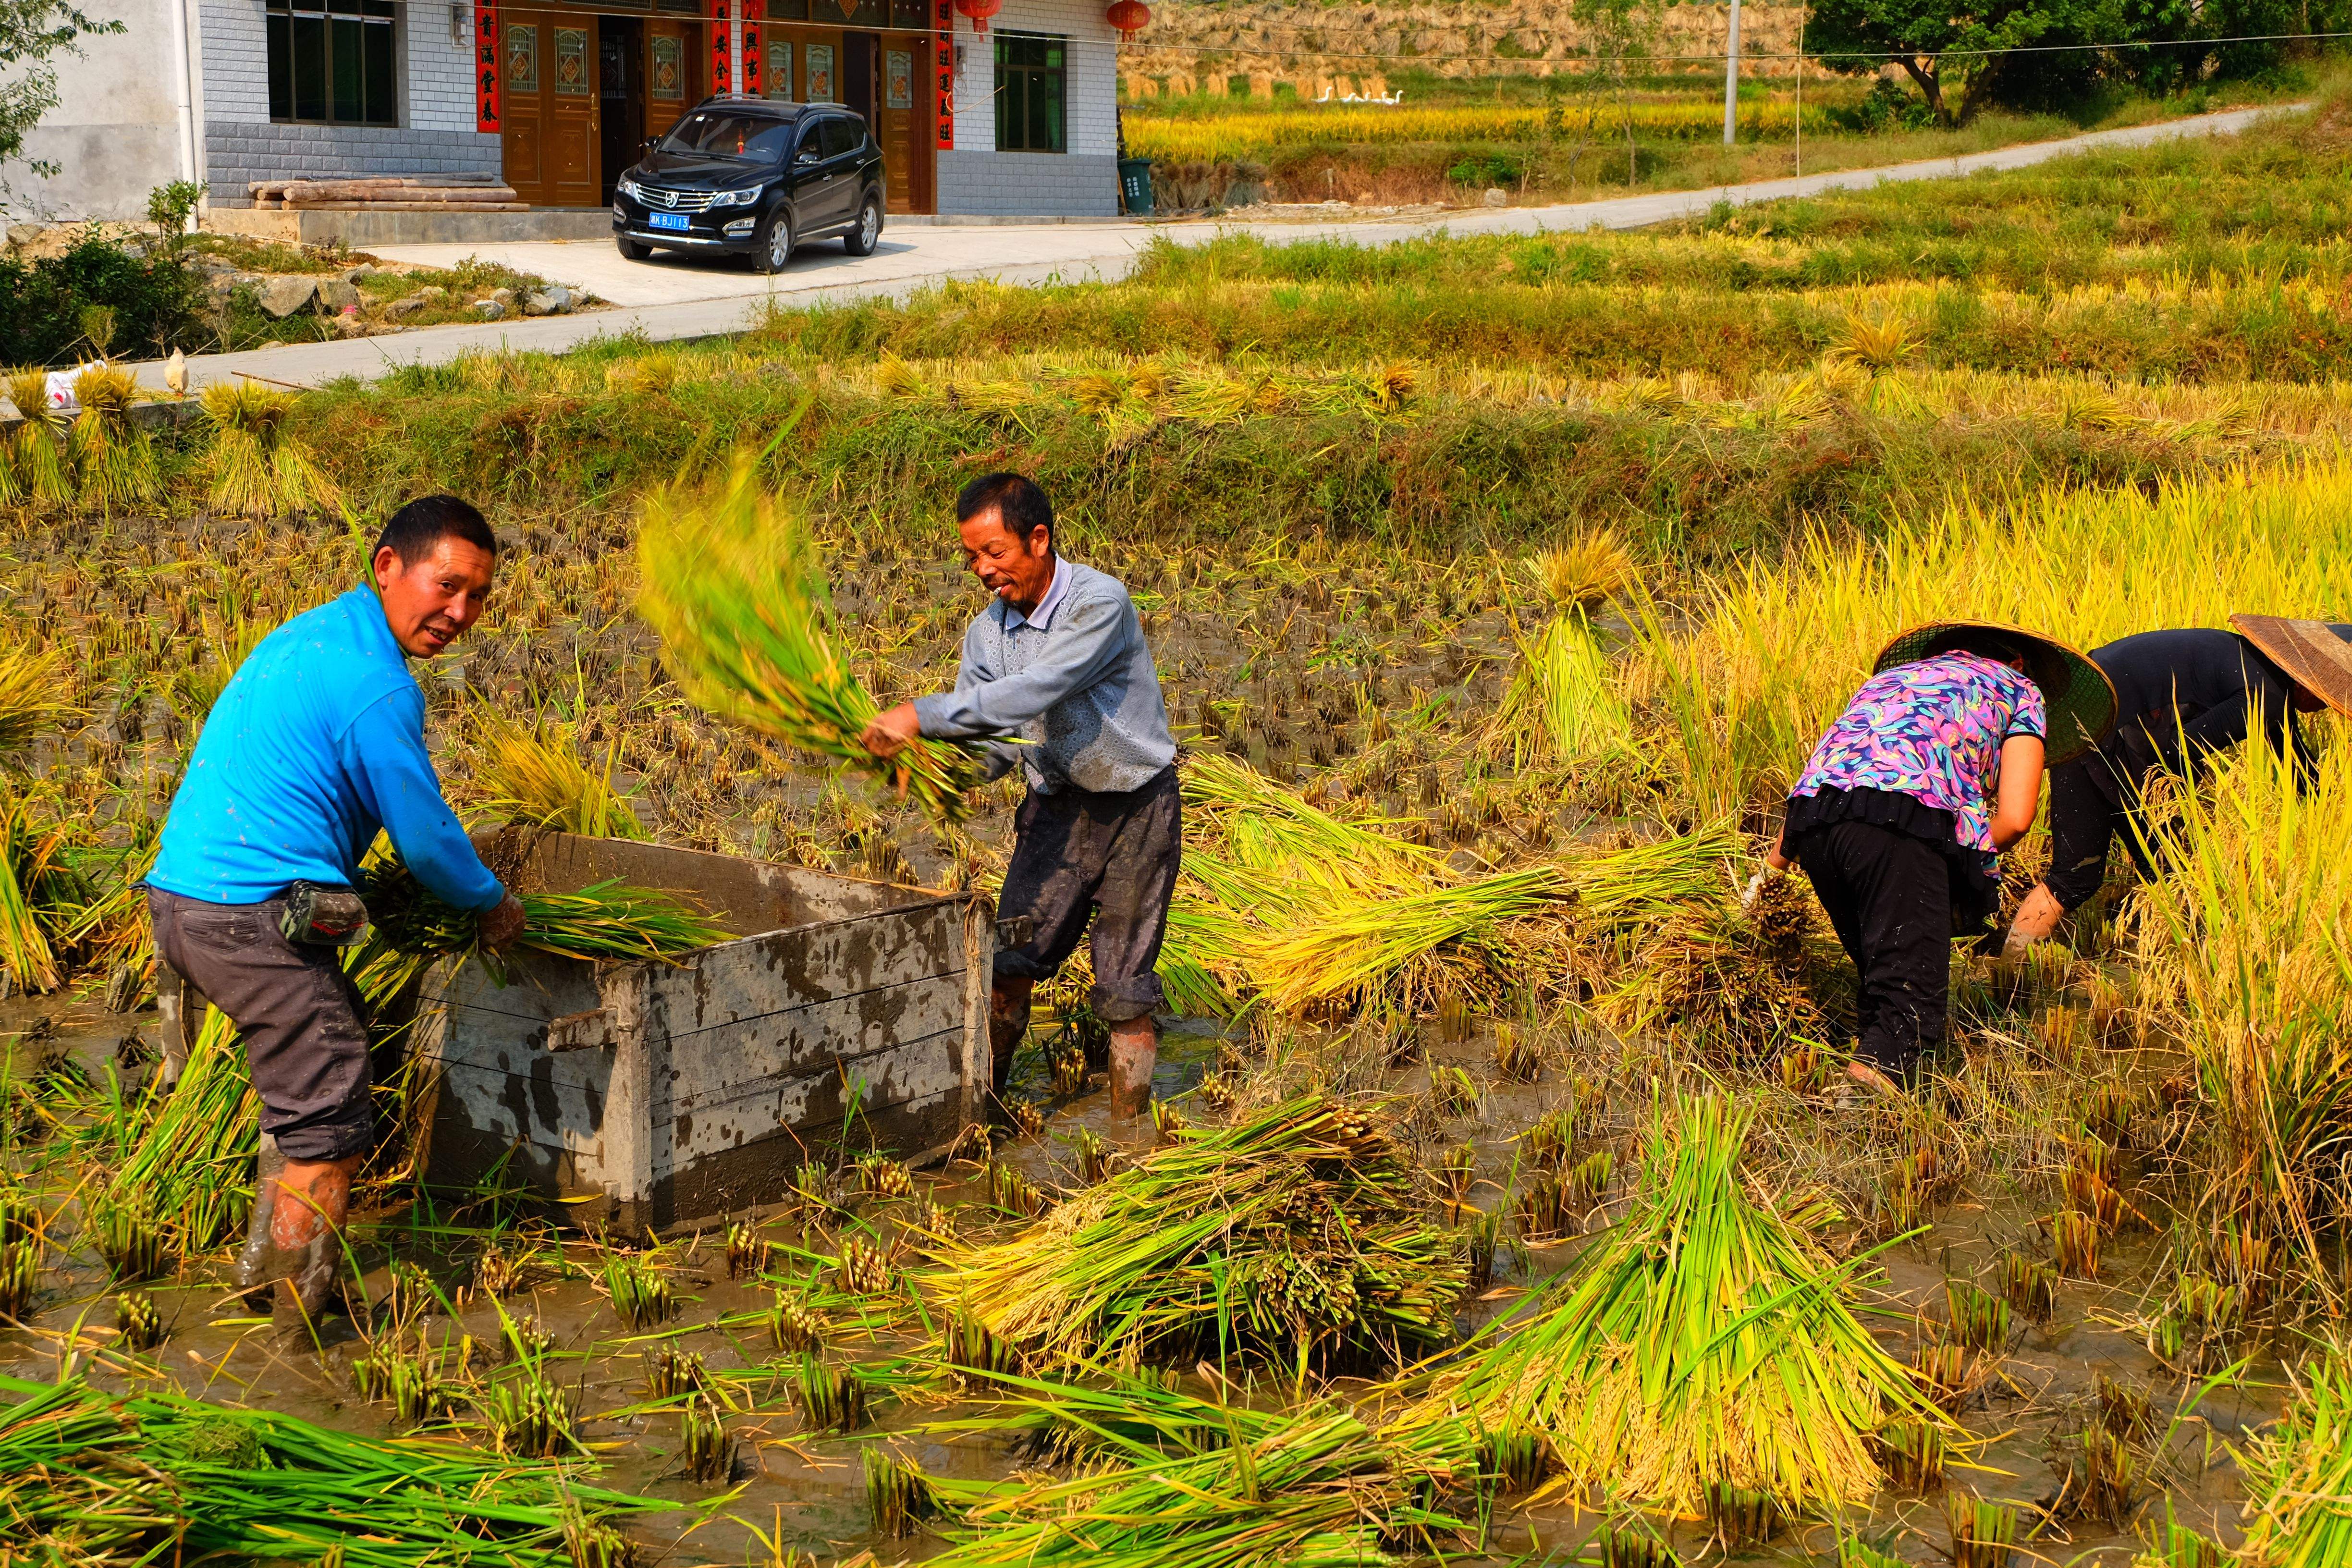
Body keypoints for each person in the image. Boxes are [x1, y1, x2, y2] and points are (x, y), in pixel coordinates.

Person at [146, 496, 528, 1324]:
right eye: (446, 584)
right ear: (387, 565)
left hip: (182, 898)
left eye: (478, 597)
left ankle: (263, 1268)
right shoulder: (376, 683)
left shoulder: (314, 634)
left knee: (317, 1061)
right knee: (329, 1105)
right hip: (248, 911)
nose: (459, 613)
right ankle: (294, 1312)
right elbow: (425, 841)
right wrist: (493, 903)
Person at [862, 473, 1179, 1121]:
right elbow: (999, 747)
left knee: (1124, 991)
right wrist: (942, 773)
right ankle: (980, 1115)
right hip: (1055, 811)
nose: (982, 569)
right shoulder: (986, 638)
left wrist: (921, 714)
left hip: (1135, 811)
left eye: (994, 552)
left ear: (1038, 539)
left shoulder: (1099, 603)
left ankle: (1128, 1141)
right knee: (1008, 967)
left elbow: (1039, 688)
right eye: (972, 557)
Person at [1761, 623, 2114, 1096]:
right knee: (1908, 1008)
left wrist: (1766, 878)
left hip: (1815, 823)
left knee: (1882, 980)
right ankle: (1858, 1137)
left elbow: (1835, 776)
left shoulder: (1889, 682)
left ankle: (1839, 1096)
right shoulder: (2018, 687)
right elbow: (2015, 818)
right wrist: (1949, 862)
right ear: (2019, 662)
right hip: (1902, 822)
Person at [2005, 617, 2352, 955]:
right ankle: (2186, 970)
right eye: (2330, 694)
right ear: (2309, 679)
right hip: (2114, 729)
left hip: (2080, 716)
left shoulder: (2257, 670)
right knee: (2179, 872)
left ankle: (2008, 972)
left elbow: (2299, 768)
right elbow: (2179, 751)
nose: (2325, 707)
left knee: (2074, 878)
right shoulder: (2266, 694)